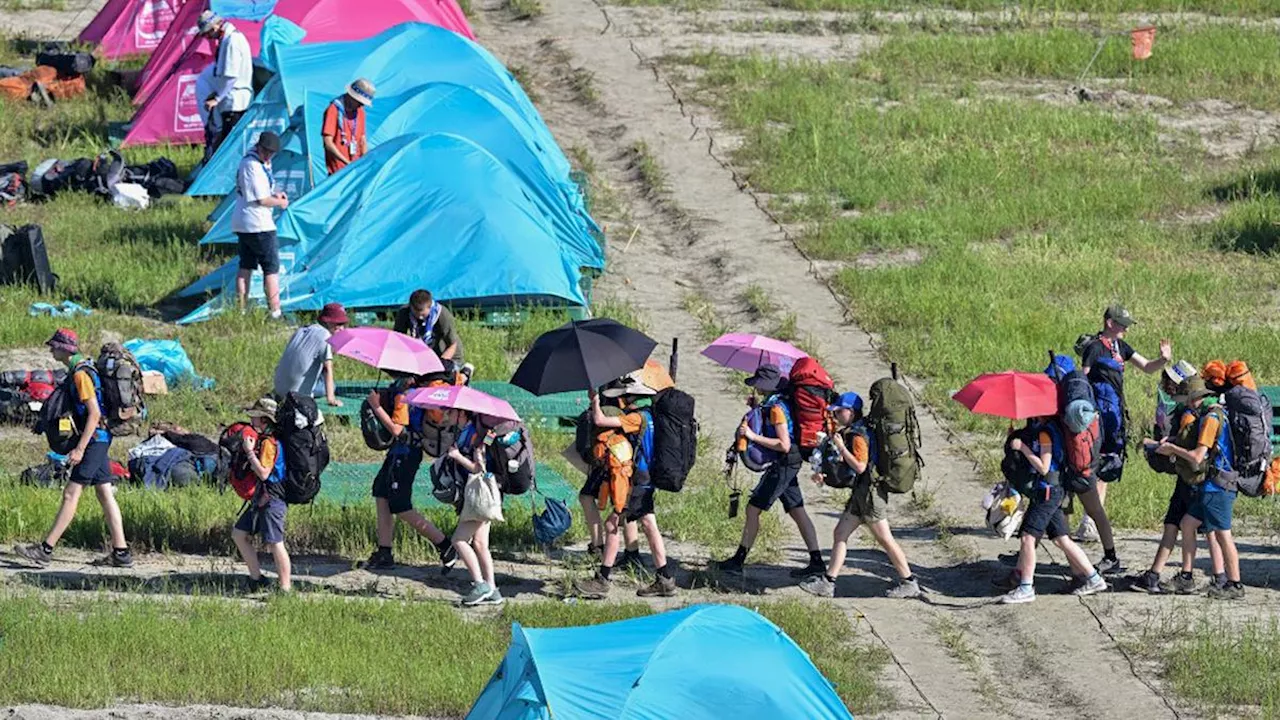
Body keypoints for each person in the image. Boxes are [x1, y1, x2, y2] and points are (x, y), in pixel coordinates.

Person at [13, 329, 132, 568]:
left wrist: (80, 448)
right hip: (100, 438)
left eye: (54, 346)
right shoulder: (80, 369)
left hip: (94, 439)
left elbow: (94, 413)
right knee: (104, 492)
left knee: (70, 494)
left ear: (64, 349)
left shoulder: (80, 375)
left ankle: (45, 549)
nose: (50, 350)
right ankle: (121, 553)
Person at [799, 392, 920, 599]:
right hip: (862, 493)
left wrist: (841, 447)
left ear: (851, 412)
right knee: (840, 534)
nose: (836, 415)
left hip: (870, 494)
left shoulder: (857, 435)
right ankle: (828, 582)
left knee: (885, 539)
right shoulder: (857, 430)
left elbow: (860, 466)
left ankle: (909, 582)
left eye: (839, 411)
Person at [575, 367, 678, 599]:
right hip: (648, 477)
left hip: (637, 480)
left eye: (626, 394)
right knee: (649, 524)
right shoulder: (651, 416)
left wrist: (595, 400)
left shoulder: (635, 417)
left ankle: (602, 580)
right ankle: (665, 578)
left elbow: (600, 419)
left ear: (633, 396)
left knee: (613, 524)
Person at [713, 364, 823, 578]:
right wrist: (757, 407)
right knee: (797, 509)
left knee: (753, 509)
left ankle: (738, 560)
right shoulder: (779, 402)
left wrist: (752, 436)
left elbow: (783, 444)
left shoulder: (776, 408)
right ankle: (817, 561)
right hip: (790, 461)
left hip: (784, 462)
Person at [1074, 304, 1172, 541]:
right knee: (1091, 465)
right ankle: (1088, 520)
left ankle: (1091, 522)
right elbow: (1081, 379)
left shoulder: (1121, 347)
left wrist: (1163, 359)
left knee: (1108, 465)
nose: (1125, 330)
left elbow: (1148, 367)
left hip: (1116, 416)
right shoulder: (1094, 348)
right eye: (1122, 325)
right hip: (1096, 415)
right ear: (1110, 323)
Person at [1153, 376, 1244, 600]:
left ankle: (1235, 584)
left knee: (1223, 534)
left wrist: (1172, 449)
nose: (1183, 403)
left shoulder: (1210, 418)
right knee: (1187, 523)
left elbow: (1197, 457)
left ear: (1193, 397)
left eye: (1184, 399)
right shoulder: (1210, 412)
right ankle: (1186, 576)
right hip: (1212, 484)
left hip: (1218, 485)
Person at [1001, 415, 1107, 604]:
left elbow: (1044, 467)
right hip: (1051, 492)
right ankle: (1093, 578)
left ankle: (1026, 588)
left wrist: (1022, 448)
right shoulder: (1040, 430)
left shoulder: (1045, 433)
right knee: (1061, 539)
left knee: (1027, 537)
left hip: (1048, 493)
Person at [364, 376, 458, 573]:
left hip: (407, 453)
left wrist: (376, 407)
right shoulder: (417, 391)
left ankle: (445, 546)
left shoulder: (414, 396)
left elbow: (398, 430)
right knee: (381, 493)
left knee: (400, 504)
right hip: (399, 452)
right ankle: (384, 551)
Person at [1133, 361, 1199, 594]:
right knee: (1172, 523)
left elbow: (1186, 446)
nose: (1166, 384)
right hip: (1185, 476)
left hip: (1195, 479)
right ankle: (1154, 574)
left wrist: (1159, 446)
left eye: (1171, 381)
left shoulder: (1190, 413)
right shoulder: (1184, 408)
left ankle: (1205, 577)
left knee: (1206, 530)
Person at [577, 399, 646, 573]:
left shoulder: (620, 401)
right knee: (624, 505)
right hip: (626, 457)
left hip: (610, 454)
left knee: (589, 498)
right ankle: (632, 553)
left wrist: (595, 401)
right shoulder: (640, 407)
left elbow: (600, 420)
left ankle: (598, 549)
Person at [230, 398, 291, 591]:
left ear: (265, 420)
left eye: (255, 417)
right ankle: (257, 579)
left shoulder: (269, 443)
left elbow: (264, 473)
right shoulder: (267, 440)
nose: (252, 421)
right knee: (239, 534)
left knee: (275, 543)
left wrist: (249, 452)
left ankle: (285, 588)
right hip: (262, 498)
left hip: (272, 499)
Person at [447, 412, 505, 606]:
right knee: (480, 544)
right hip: (485, 494)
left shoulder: (475, 434)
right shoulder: (468, 431)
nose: (446, 414)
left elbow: (478, 468)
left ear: (462, 413)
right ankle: (493, 590)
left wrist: (456, 456)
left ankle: (480, 584)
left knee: (459, 540)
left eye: (451, 411)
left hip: (479, 496)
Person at [232, 131, 289, 318]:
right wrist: (280, 202)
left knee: (246, 266)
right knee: (271, 269)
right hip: (259, 224)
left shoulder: (251, 161)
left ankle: (240, 309)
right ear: (260, 147)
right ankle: (275, 312)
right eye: (266, 151)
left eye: (271, 153)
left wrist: (276, 195)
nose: (268, 155)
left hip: (243, 222)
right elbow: (262, 199)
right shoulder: (253, 166)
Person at [197, 11, 252, 151]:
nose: (207, 38)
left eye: (206, 34)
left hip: (235, 103)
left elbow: (231, 76)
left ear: (214, 27)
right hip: (232, 100)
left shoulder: (232, 41)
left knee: (229, 147)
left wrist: (217, 98)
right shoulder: (229, 38)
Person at [272, 303, 347, 406]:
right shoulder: (325, 335)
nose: (342, 329)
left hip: (278, 388)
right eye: (338, 324)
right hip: (295, 394)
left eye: (343, 324)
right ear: (328, 322)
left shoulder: (301, 330)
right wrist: (331, 399)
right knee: (332, 386)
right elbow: (327, 369)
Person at [393, 290, 463, 362]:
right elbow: (398, 339)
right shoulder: (404, 313)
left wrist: (440, 364)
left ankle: (464, 371)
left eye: (423, 315)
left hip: (448, 354)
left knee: (441, 373)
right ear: (410, 307)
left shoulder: (443, 315)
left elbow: (452, 345)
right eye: (416, 314)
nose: (420, 318)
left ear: (430, 307)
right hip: (422, 354)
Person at [321, 78, 374, 175]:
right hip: (338, 171)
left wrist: (364, 162)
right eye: (359, 102)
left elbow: (362, 139)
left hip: (356, 169)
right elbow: (328, 143)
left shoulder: (361, 112)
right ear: (351, 96)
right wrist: (347, 163)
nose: (361, 105)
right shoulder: (333, 110)